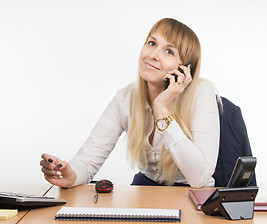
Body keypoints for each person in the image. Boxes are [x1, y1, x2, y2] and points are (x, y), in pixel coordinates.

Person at [40, 18, 220, 188]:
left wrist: (162, 109)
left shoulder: (202, 94)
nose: (153, 55)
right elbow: (87, 161)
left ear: (186, 69)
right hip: (147, 192)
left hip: (193, 195)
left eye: (169, 51)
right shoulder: (125, 98)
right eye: (152, 43)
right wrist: (70, 175)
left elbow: (199, 178)